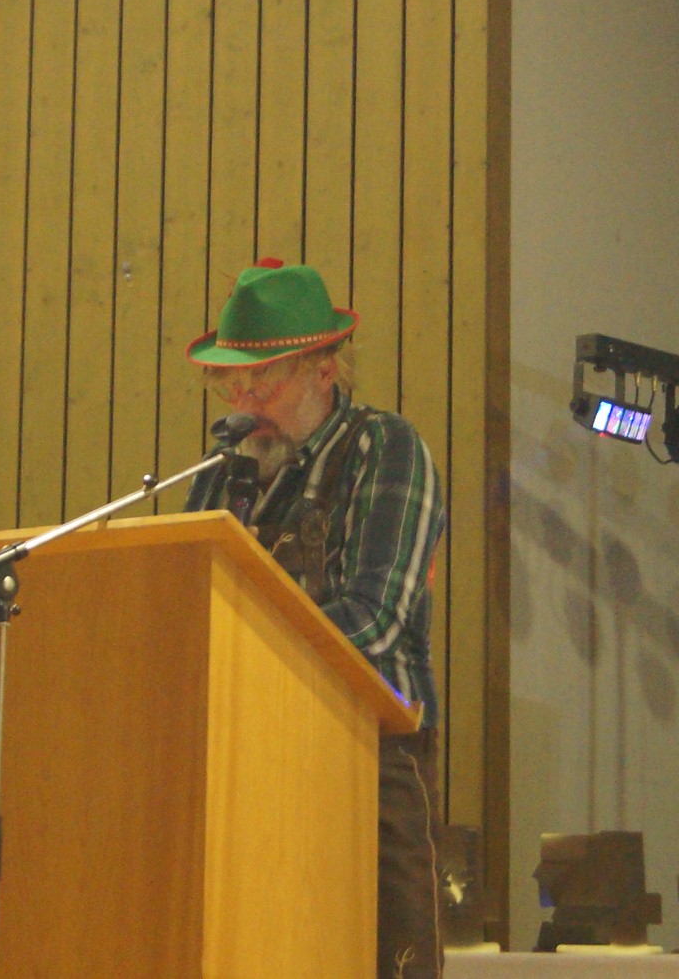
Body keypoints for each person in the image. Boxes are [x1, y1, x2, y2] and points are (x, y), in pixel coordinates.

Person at [183, 258, 448, 978]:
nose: (242, 402)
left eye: (260, 382)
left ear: (325, 370)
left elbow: (375, 617)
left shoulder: (385, 449)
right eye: (231, 383)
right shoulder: (219, 476)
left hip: (367, 766)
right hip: (240, 768)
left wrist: (245, 660)